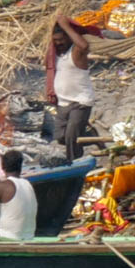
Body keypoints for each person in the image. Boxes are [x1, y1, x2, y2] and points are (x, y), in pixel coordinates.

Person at [47, 15, 94, 162]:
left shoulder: (76, 52)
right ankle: (93, 137)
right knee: (60, 137)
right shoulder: (55, 55)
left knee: (71, 139)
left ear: (69, 37)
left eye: (61, 39)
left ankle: (73, 163)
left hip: (80, 102)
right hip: (63, 103)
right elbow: (48, 69)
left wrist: (65, 25)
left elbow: (84, 46)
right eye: (56, 40)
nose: (59, 43)